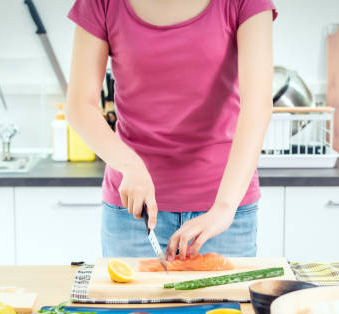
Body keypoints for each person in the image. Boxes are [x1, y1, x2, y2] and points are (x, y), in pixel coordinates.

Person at [66, 0, 276, 261]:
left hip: (223, 213)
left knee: (227, 304)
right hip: (134, 214)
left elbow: (257, 105)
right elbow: (78, 107)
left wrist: (224, 207)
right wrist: (129, 165)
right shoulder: (102, 3)